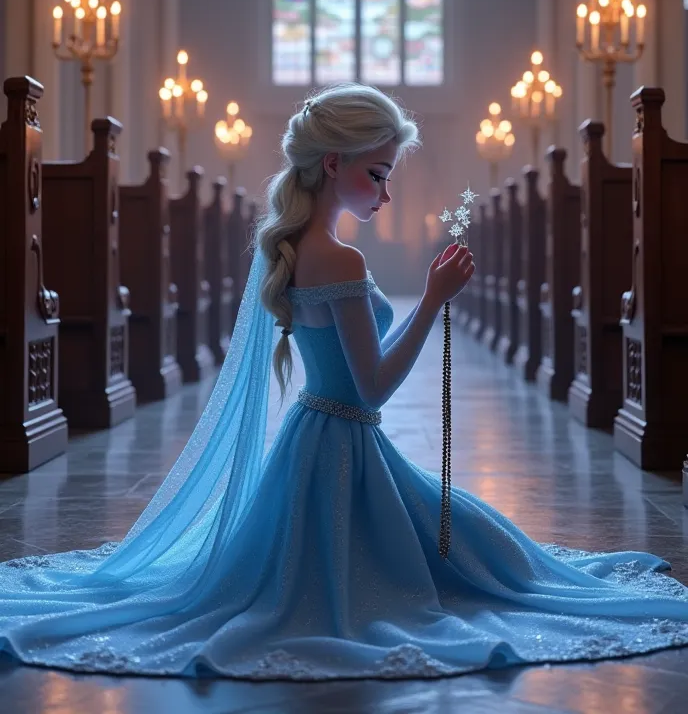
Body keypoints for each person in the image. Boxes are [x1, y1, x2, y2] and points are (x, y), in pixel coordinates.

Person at [0, 82, 687, 681]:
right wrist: (432, 300)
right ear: (334, 163)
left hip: (313, 440)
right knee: (486, 562)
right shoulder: (343, 260)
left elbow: (353, 371)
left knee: (481, 543)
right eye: (378, 175)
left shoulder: (298, 247)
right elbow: (376, 388)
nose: (386, 194)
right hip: (344, 454)